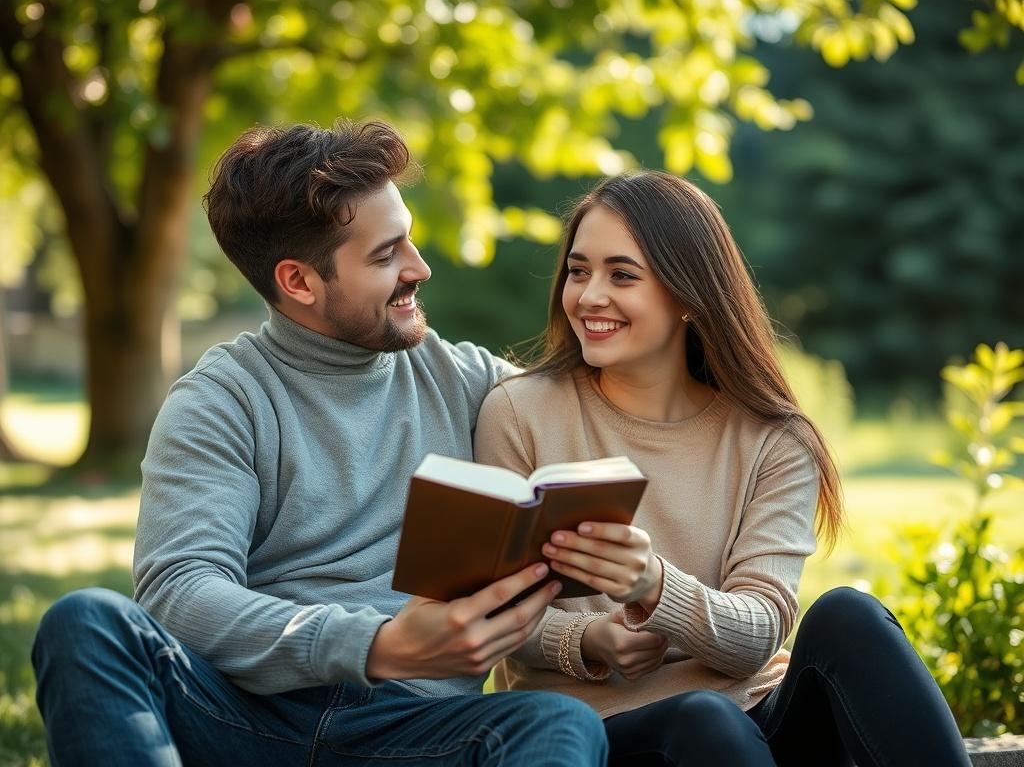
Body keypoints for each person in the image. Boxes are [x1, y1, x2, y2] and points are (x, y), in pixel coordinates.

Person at [30, 120, 608, 767]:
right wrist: (377, 643)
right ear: (299, 282)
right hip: (242, 718)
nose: (419, 267)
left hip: (418, 732)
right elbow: (181, 590)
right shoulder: (221, 399)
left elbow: (610, 408)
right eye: (386, 255)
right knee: (84, 624)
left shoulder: (466, 379)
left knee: (556, 725)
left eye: (408, 241)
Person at [474, 170, 971, 766]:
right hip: (602, 735)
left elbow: (759, 632)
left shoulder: (773, 438)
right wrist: (589, 639)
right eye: (578, 271)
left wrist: (654, 587)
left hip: (755, 719)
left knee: (850, 615)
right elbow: (492, 611)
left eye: (621, 275)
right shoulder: (521, 412)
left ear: (688, 295)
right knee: (704, 721)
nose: (589, 295)